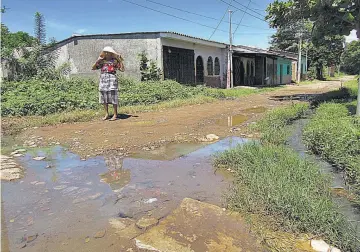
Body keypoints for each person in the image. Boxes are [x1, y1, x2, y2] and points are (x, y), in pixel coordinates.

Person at [92, 46, 125, 121]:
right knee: (104, 96)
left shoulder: (115, 61)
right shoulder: (102, 61)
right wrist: (97, 61)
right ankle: (106, 114)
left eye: (108, 52)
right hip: (103, 78)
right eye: (105, 52)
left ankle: (115, 114)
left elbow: (122, 69)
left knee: (113, 95)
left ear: (111, 53)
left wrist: (120, 60)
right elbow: (93, 68)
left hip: (112, 78)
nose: (107, 53)